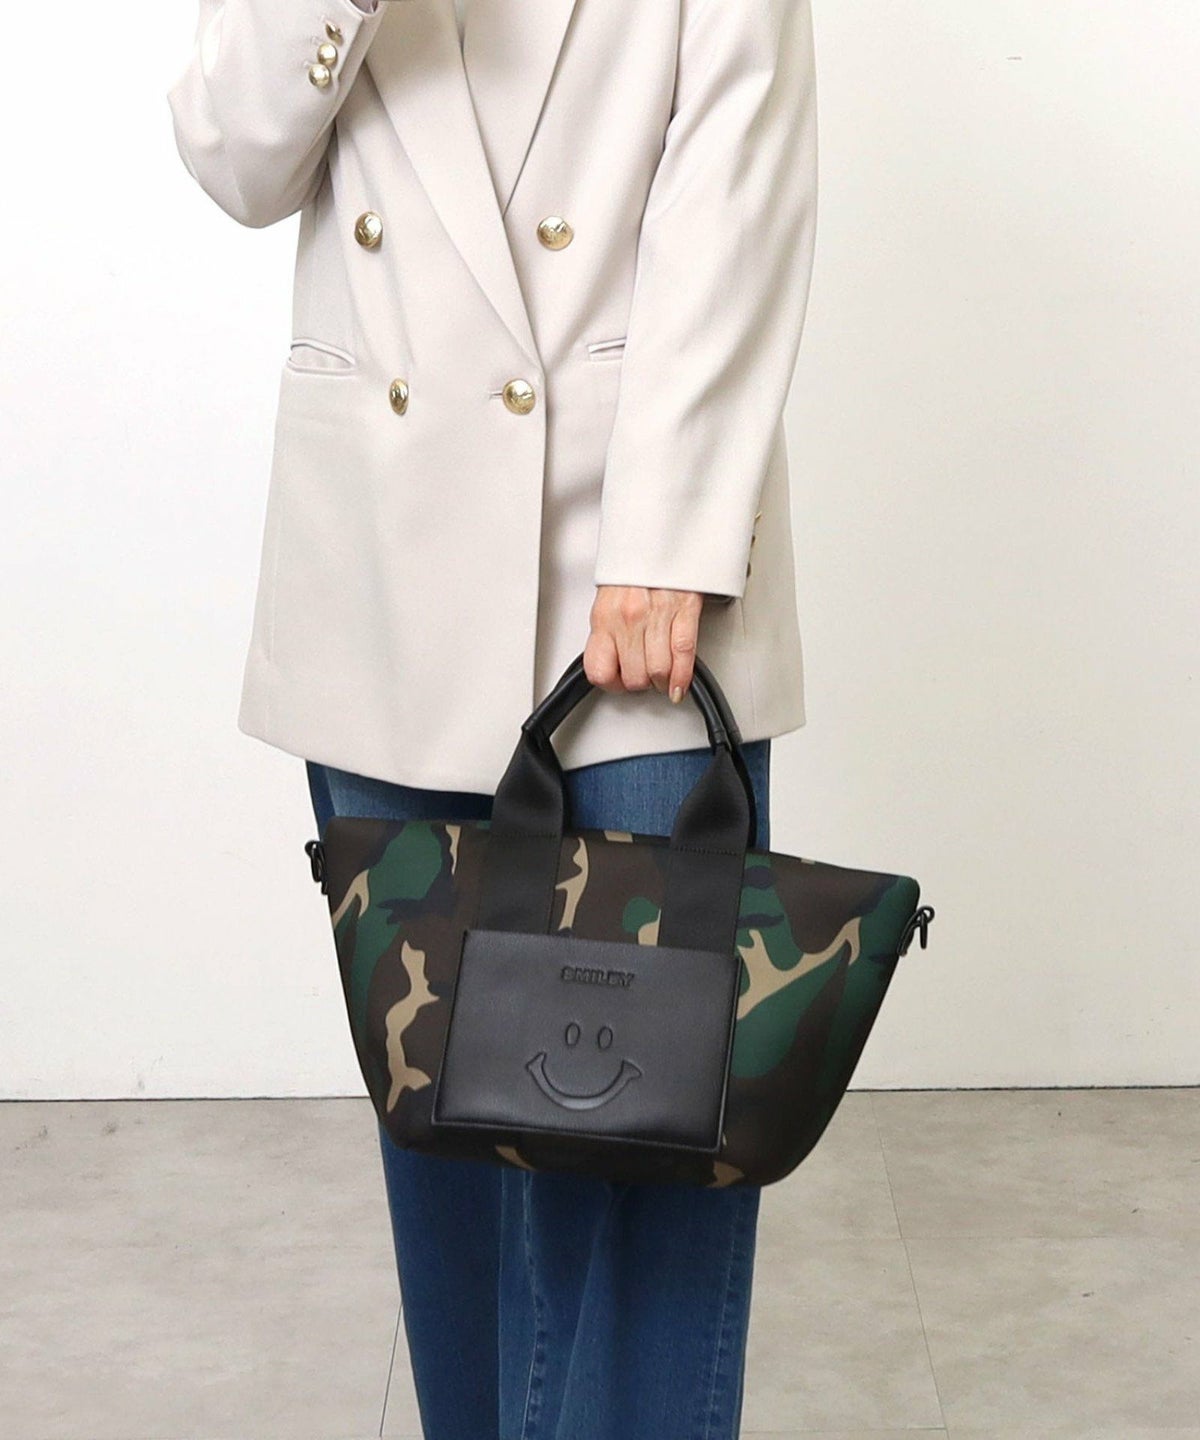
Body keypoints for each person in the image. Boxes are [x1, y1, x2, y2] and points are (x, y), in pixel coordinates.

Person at [167, 1, 818, 1436]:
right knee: (442, 1112)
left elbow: (740, 171)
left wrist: (671, 534)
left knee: (648, 1119)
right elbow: (236, 159)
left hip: (627, 577)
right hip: (387, 563)